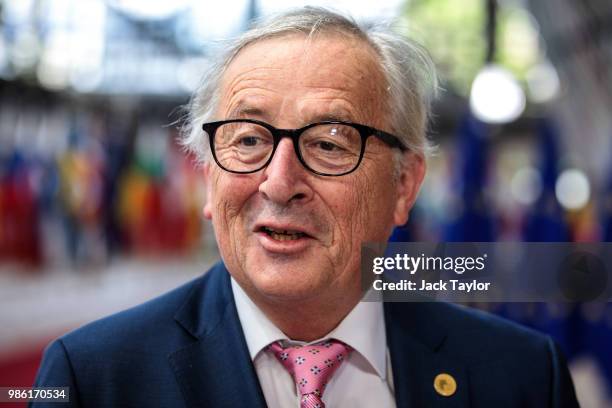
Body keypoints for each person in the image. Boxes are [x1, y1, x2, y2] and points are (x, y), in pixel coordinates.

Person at [32, 7, 579, 408]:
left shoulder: (525, 377)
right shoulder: (92, 380)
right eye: (247, 140)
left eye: (329, 143)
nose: (278, 181)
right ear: (207, 174)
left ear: (404, 186)